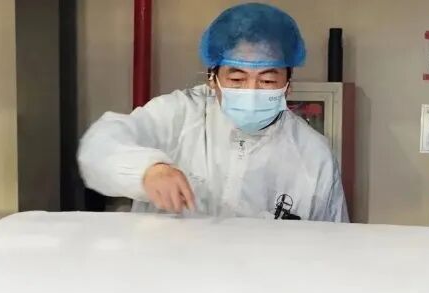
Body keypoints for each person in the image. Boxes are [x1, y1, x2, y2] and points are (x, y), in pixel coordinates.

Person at [78, 3, 347, 222]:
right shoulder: (179, 114)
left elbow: (333, 247)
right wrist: (148, 170)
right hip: (167, 269)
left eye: (267, 80)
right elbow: (98, 146)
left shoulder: (313, 156)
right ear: (212, 78)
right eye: (237, 79)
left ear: (288, 84)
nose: (251, 91)